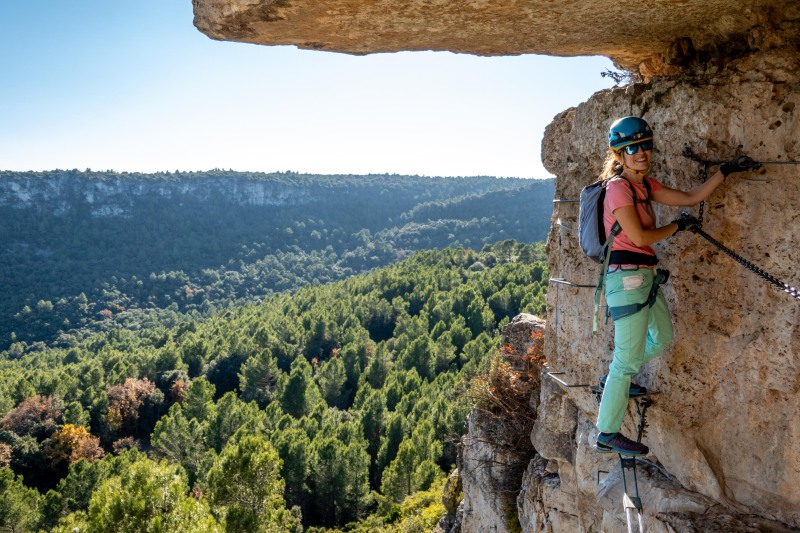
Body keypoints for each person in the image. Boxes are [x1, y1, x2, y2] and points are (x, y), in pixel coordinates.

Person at [594, 116, 757, 456]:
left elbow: (689, 197)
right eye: (632, 148)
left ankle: (614, 383)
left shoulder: (644, 185)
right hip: (626, 279)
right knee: (625, 361)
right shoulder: (618, 188)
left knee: (662, 336)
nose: (641, 153)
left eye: (645, 145)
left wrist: (725, 171)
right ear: (619, 154)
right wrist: (677, 228)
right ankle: (607, 433)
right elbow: (639, 237)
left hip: (644, 276)